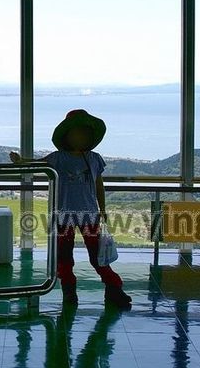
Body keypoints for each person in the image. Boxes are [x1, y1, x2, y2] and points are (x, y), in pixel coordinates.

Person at [10, 109, 132, 309]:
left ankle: (114, 287)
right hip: (63, 216)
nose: (81, 137)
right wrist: (20, 161)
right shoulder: (58, 158)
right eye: (77, 133)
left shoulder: (94, 159)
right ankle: (70, 291)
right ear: (67, 136)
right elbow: (37, 164)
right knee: (64, 257)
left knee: (98, 256)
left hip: (89, 215)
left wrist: (103, 209)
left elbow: (98, 184)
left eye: (84, 133)